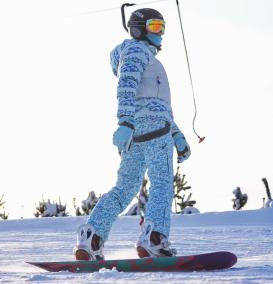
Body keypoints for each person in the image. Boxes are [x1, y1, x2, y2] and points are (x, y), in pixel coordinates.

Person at [73, 7, 191, 260]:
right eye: (154, 27)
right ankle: (155, 238)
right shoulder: (137, 51)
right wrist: (124, 121)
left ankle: (92, 236)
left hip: (140, 131)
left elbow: (158, 106)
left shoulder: (147, 58)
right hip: (149, 129)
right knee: (161, 184)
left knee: (125, 187)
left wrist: (177, 135)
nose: (160, 33)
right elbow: (126, 85)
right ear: (138, 28)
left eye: (162, 27)